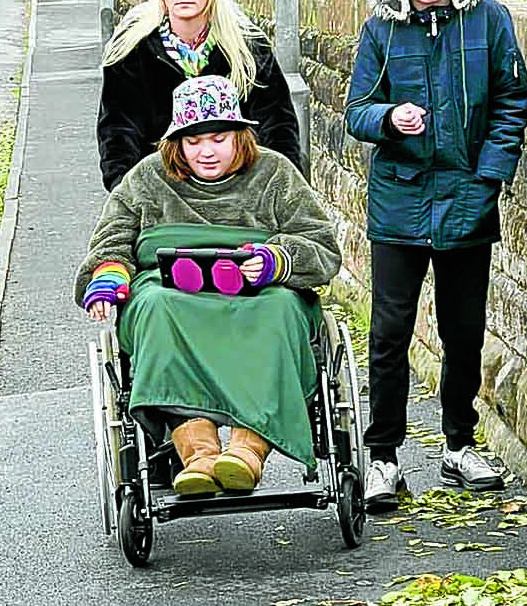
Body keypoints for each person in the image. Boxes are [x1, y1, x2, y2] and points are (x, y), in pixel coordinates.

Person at [345, 0, 527, 511]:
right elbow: (357, 112)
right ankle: (383, 457)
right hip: (399, 199)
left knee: (462, 329)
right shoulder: (382, 31)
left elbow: (512, 102)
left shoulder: (489, 21)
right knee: (391, 332)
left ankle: (459, 443)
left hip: (467, 197)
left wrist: (490, 180)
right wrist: (390, 120)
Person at [75, 76, 340, 496]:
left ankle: (246, 451)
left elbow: (321, 245)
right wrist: (107, 279)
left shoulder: (274, 173)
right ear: (176, 143)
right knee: (156, 307)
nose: (206, 151)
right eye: (194, 141)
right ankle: (199, 453)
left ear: (240, 136)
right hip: (172, 292)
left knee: (282, 310)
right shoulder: (148, 178)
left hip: (257, 291)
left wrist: (276, 260)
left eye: (218, 138)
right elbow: (112, 240)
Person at [97, 0, 303, 191]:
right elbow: (118, 131)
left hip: (240, 195)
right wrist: (128, 195)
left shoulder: (248, 48)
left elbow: (278, 126)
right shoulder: (131, 51)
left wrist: (282, 190)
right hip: (162, 195)